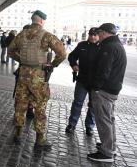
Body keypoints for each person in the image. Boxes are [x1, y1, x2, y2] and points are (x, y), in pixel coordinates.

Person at [8, 10, 66, 149]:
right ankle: (39, 140)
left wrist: (21, 60)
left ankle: (17, 134)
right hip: (38, 77)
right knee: (40, 106)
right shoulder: (46, 36)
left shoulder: (21, 35)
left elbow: (10, 51)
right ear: (42, 21)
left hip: (23, 74)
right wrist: (52, 65)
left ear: (33, 20)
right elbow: (62, 53)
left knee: (20, 104)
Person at [87, 23, 127, 163]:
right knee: (109, 119)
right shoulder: (116, 45)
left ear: (104, 33)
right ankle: (110, 146)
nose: (98, 35)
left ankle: (106, 153)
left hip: (104, 90)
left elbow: (103, 70)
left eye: (99, 32)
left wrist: (96, 88)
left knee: (103, 120)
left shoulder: (109, 47)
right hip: (112, 89)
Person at [65, 27, 100, 136]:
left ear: (98, 36)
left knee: (93, 105)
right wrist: (74, 65)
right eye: (91, 35)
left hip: (96, 83)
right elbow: (71, 56)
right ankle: (72, 124)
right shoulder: (82, 45)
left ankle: (90, 126)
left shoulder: (103, 47)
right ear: (88, 35)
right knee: (77, 103)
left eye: (95, 35)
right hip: (82, 80)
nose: (93, 37)